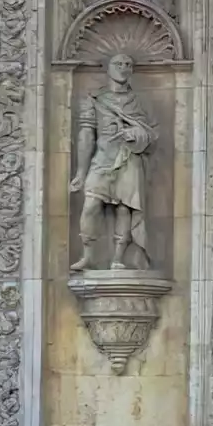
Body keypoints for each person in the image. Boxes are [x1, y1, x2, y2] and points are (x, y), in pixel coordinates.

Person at [69, 52, 155, 272]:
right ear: (108, 68)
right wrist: (81, 172)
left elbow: (152, 134)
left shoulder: (139, 101)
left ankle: (118, 258)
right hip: (103, 157)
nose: (123, 68)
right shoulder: (95, 98)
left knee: (125, 208)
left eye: (128, 64)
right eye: (118, 64)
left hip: (129, 157)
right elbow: (86, 136)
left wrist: (134, 134)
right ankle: (88, 255)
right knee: (90, 205)